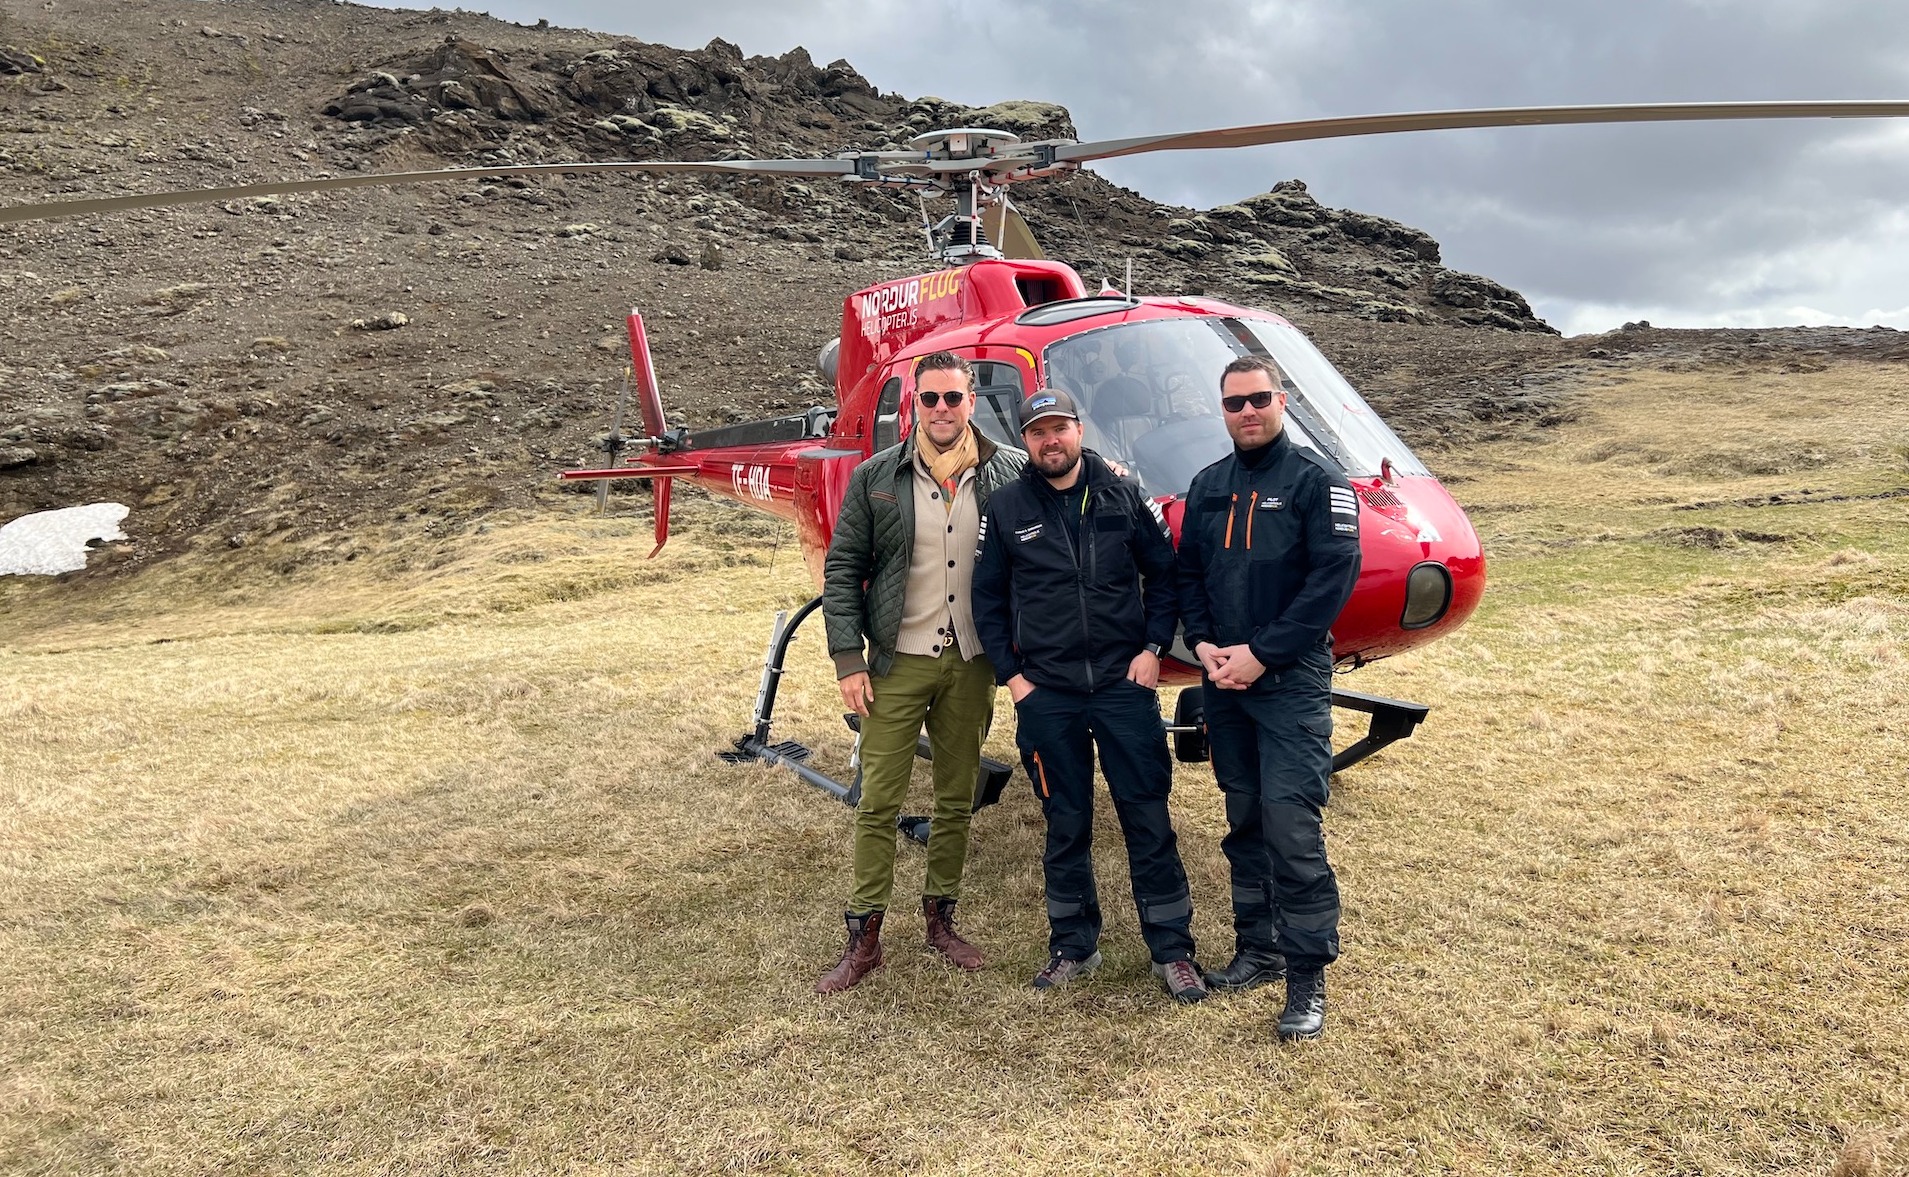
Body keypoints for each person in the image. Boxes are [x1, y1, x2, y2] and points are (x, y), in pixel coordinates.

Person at [971, 388, 1208, 1002]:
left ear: (1079, 430)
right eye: (1037, 432)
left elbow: (1165, 574)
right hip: (1046, 693)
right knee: (1066, 820)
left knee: (1147, 816)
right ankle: (1073, 945)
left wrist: (1153, 647)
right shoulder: (1006, 506)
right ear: (1025, 441)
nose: (1050, 440)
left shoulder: (1124, 493)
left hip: (1122, 687)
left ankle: (1173, 949)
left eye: (1060, 428)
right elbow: (986, 599)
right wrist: (1013, 677)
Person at [815, 351, 1027, 994]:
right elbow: (843, 568)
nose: (941, 409)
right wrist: (848, 659)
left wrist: (1111, 472)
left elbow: (1066, 483)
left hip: (971, 663)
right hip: (898, 661)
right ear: (915, 402)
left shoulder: (1009, 471)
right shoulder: (877, 476)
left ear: (971, 402)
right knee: (878, 800)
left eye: (952, 398)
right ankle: (865, 936)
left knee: (955, 799)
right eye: (929, 398)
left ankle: (941, 920)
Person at [1175, 355, 1362, 1040]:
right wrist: (1203, 644)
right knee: (1245, 819)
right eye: (1234, 403)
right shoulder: (1208, 485)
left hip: (1288, 680)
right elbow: (1189, 575)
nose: (1247, 412)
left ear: (1281, 402)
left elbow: (1330, 582)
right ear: (1221, 410)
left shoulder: (1317, 482)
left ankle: (1306, 973)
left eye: (1258, 399)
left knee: (1291, 827)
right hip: (1223, 680)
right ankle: (1259, 947)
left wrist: (1262, 653)